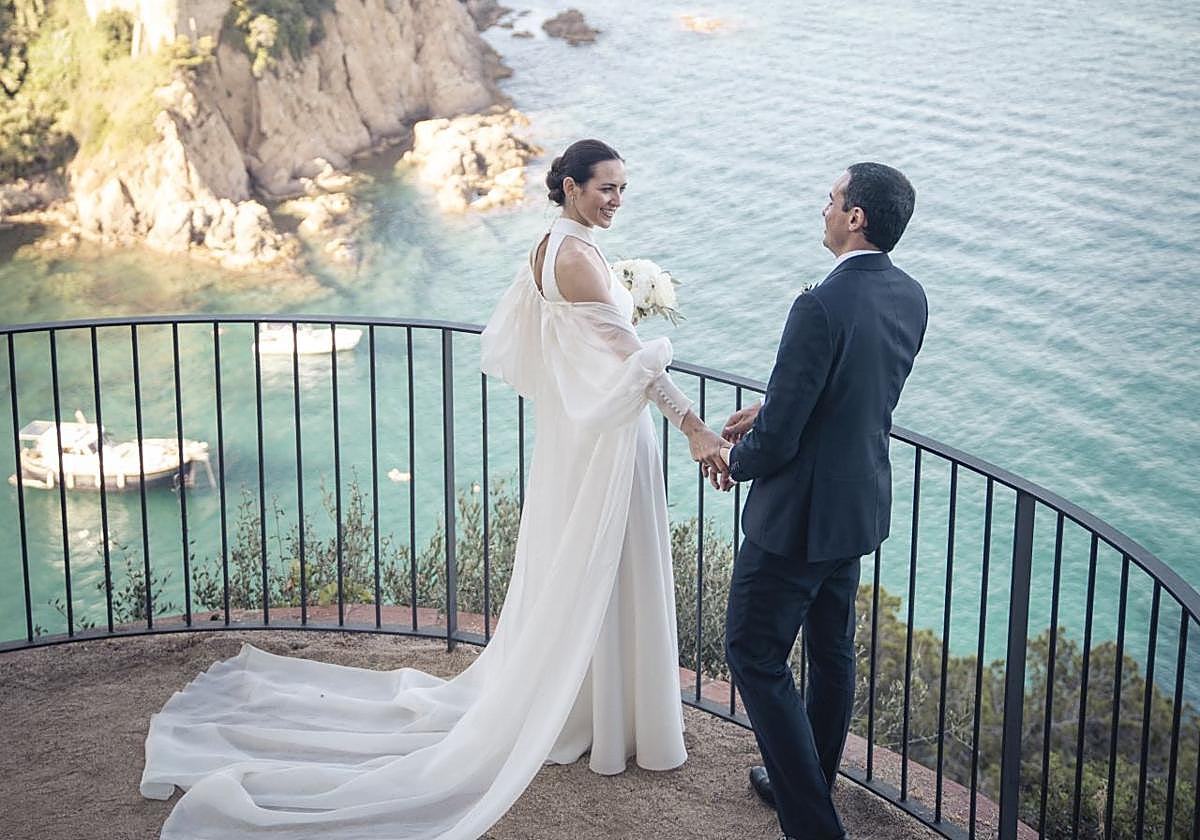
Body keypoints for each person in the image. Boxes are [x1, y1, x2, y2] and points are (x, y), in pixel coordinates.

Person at [138, 139, 730, 839]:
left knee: (582, 571)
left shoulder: (549, 246)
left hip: (580, 438)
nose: (617, 200)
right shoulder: (573, 257)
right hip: (607, 444)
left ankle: (595, 710)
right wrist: (695, 427)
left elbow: (549, 346)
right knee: (602, 567)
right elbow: (634, 364)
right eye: (605, 188)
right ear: (569, 186)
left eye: (623, 188)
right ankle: (605, 716)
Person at [717, 163, 927, 840]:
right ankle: (800, 780)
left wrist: (734, 460)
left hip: (798, 520)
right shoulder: (910, 295)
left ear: (856, 216)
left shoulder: (819, 305)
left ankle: (813, 824)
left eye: (832, 200)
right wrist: (775, 405)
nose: (824, 209)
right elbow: (850, 395)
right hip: (858, 504)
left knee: (753, 653)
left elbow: (778, 443)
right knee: (832, 653)